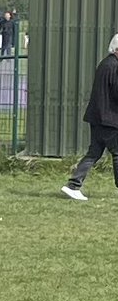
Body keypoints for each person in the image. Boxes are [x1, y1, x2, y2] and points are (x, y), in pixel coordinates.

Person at [61, 34, 118, 201]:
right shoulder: (114, 66)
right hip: (110, 120)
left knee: (93, 153)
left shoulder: (105, 64)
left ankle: (73, 185)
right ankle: (73, 185)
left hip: (98, 118)